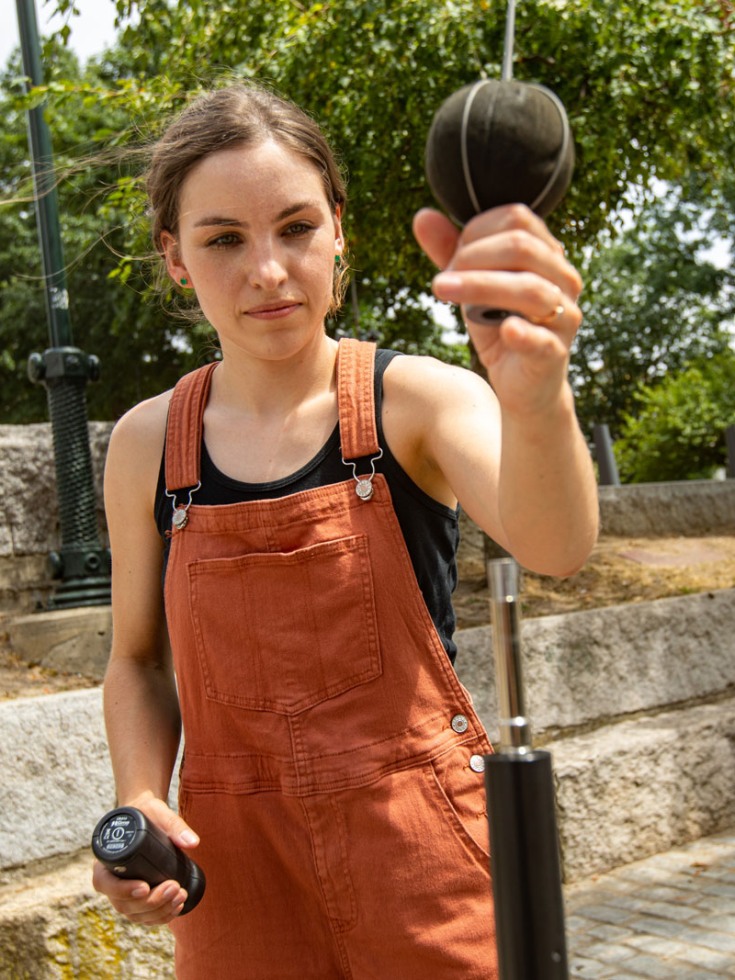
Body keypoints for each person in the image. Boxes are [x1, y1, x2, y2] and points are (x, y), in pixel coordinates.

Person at [93, 82, 598, 979]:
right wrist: (139, 797)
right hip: (236, 876)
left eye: (295, 228)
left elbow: (557, 548)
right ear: (174, 257)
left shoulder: (418, 401)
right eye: (222, 240)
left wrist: (535, 397)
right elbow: (136, 658)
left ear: (339, 229)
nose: (268, 271)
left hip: (423, 854)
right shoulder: (144, 445)